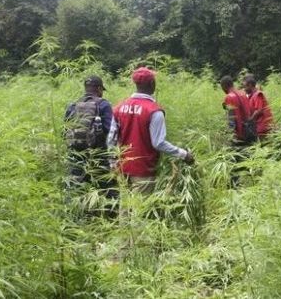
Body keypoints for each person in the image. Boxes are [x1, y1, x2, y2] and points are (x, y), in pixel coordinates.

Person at [107, 67, 194, 194]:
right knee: (140, 210)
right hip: (143, 169)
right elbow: (158, 143)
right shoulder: (154, 110)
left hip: (122, 167)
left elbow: (111, 138)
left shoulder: (119, 107)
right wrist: (183, 154)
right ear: (152, 84)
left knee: (125, 209)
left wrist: (112, 162)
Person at [64, 75, 118, 211]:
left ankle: (75, 214)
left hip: (76, 153)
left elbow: (64, 130)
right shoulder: (103, 105)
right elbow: (110, 130)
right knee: (105, 185)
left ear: (86, 88)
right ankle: (107, 214)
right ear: (99, 89)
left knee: (76, 186)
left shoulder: (73, 105)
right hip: (98, 153)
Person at [220, 75, 252, 145]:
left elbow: (231, 120)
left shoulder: (229, 97)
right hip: (249, 131)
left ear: (224, 86)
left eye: (222, 87)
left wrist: (230, 137)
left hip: (238, 135)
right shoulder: (243, 93)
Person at [243, 74, 273, 138]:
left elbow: (259, 110)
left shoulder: (258, 94)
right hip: (259, 126)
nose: (244, 89)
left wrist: (250, 120)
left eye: (245, 87)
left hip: (265, 126)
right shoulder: (251, 96)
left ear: (250, 85)